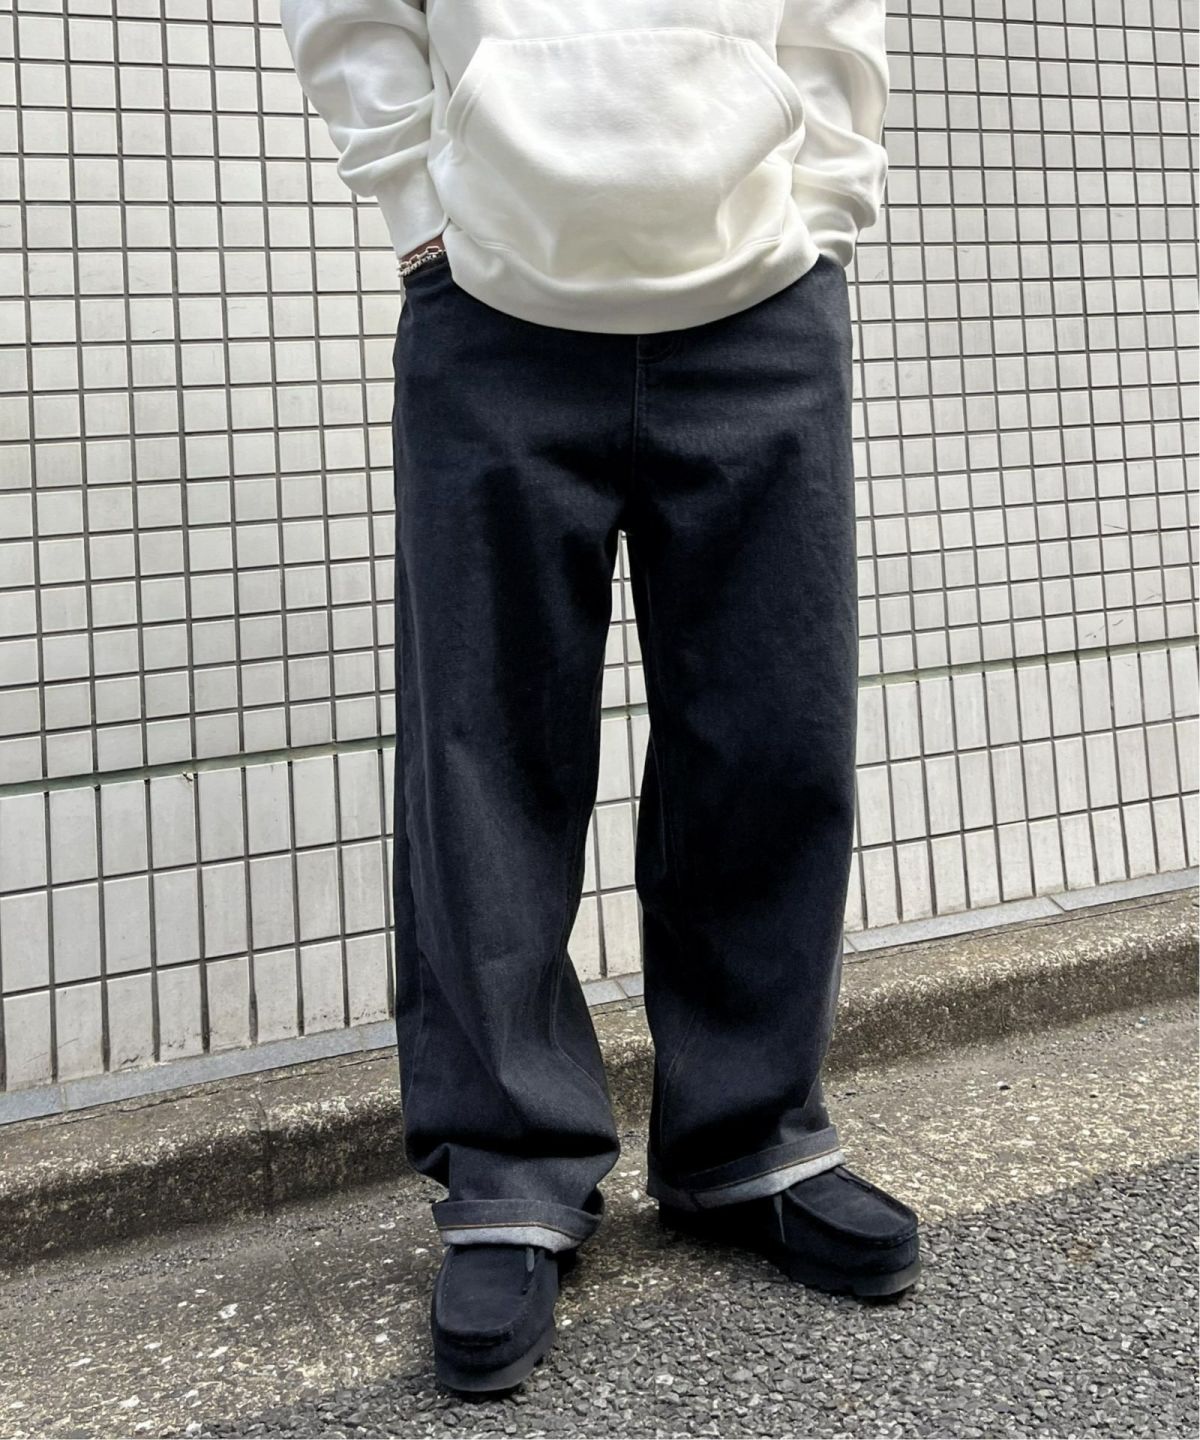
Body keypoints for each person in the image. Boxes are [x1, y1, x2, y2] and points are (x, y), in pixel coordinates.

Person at [280, 0, 920, 1395]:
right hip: (493, 302)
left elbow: (836, 19)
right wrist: (419, 211)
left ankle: (750, 1137)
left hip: (763, 292)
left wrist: (822, 213)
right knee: (484, 746)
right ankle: (509, 1171)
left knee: (773, 728)